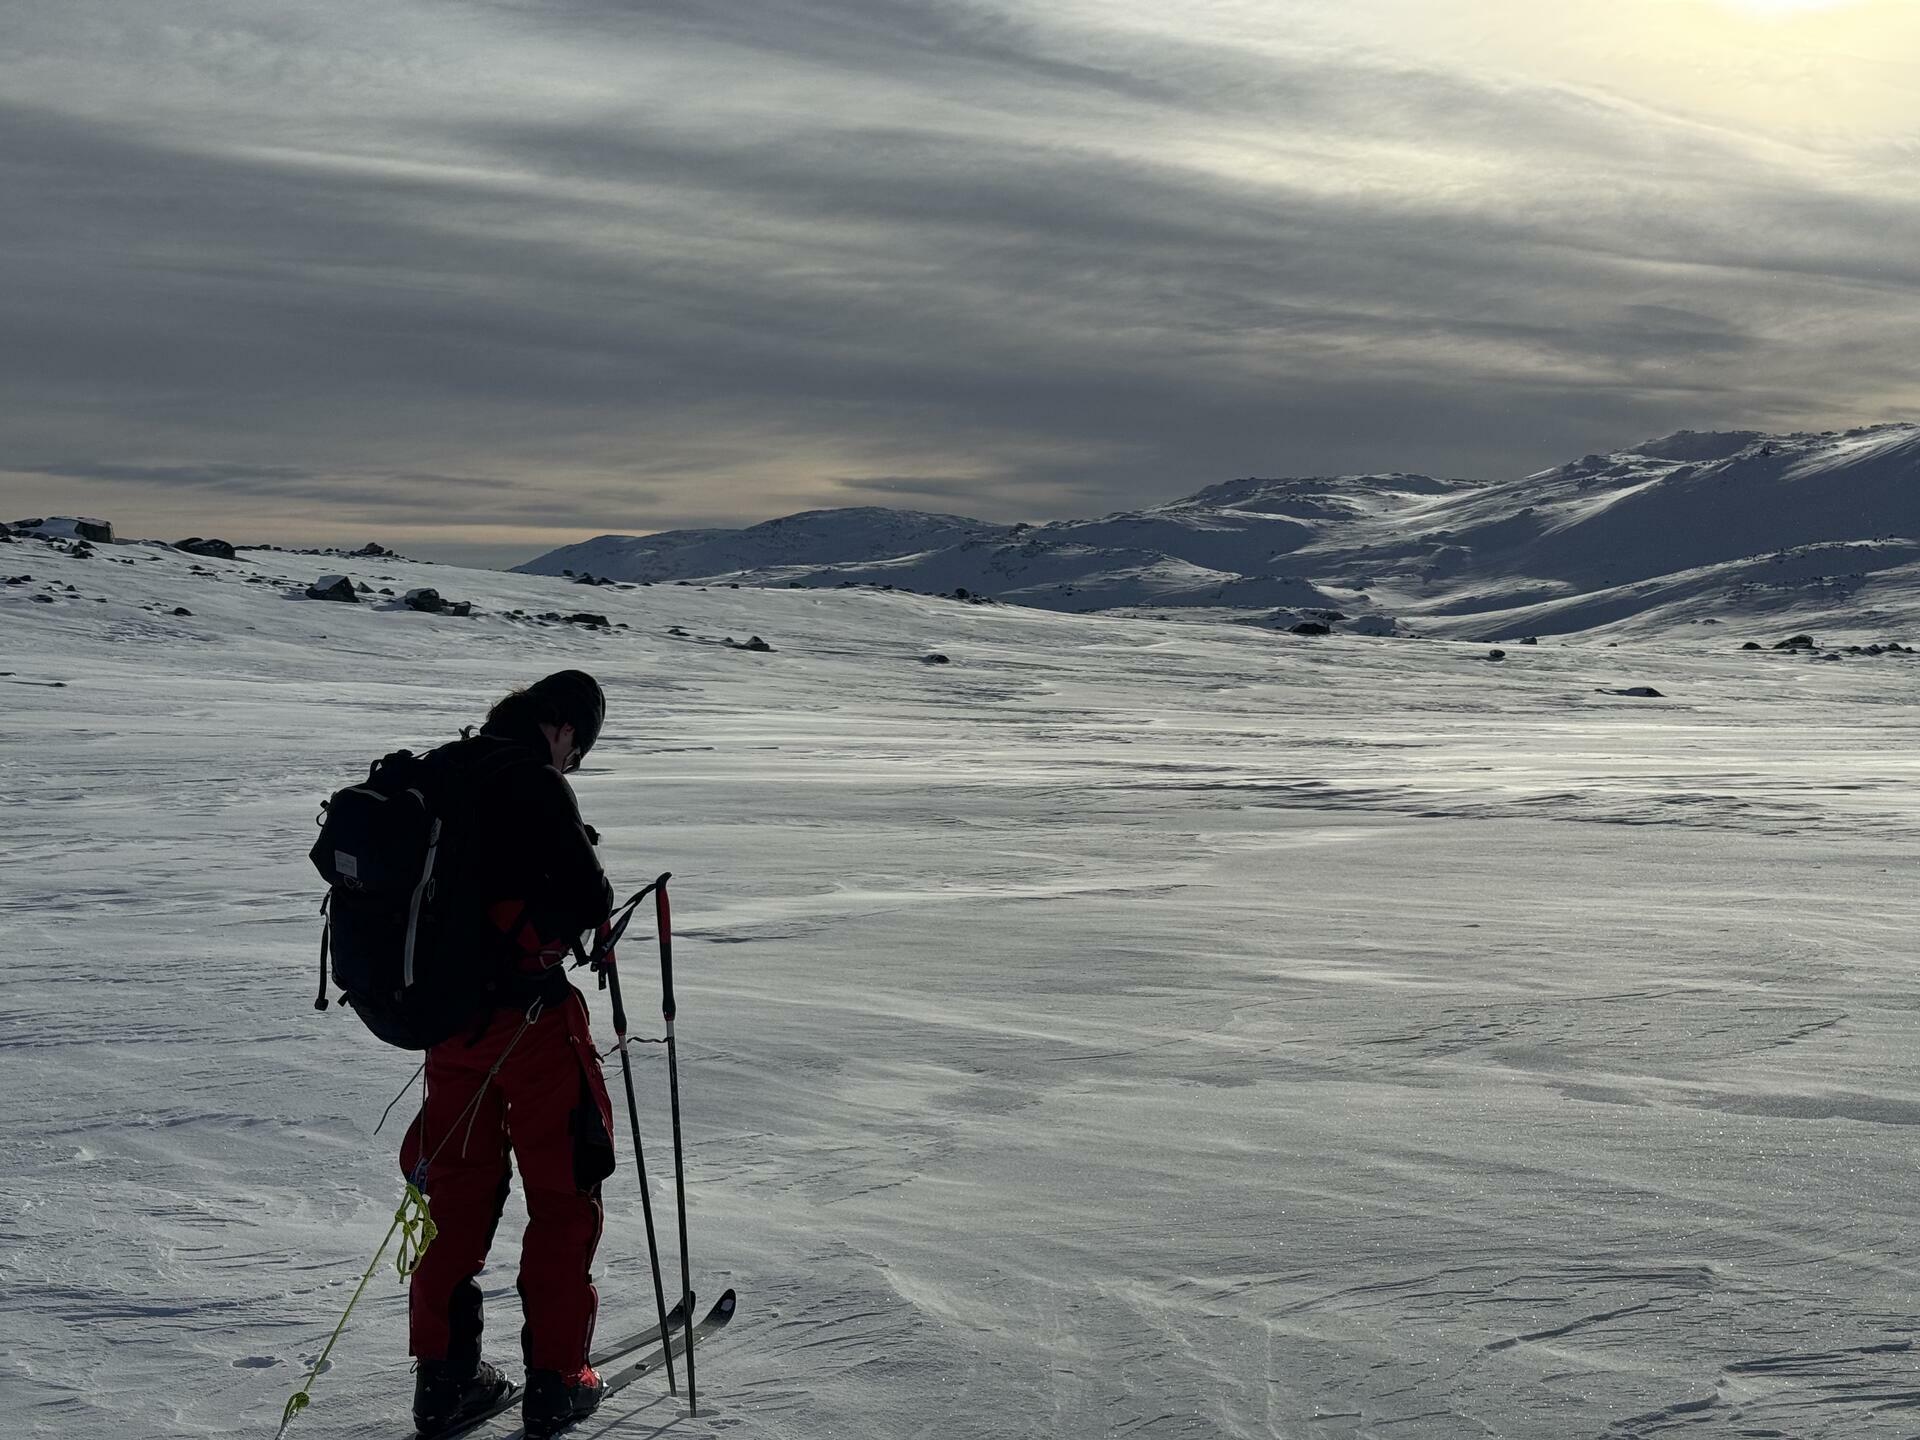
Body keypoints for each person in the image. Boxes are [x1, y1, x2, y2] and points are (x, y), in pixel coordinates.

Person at [401, 670, 619, 1439]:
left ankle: (444, 1382)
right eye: (578, 749)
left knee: (453, 1196)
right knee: (564, 1194)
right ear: (560, 728)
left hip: (447, 1026)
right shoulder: (531, 781)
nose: (572, 765)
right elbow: (592, 902)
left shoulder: (442, 768)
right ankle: (558, 1380)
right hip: (529, 1024)